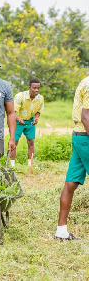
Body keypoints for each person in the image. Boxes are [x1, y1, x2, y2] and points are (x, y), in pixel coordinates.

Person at [55, 76, 89, 240]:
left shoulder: (85, 81)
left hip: (78, 137)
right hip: (86, 137)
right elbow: (86, 117)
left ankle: (61, 231)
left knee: (71, 183)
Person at [10, 79, 44, 167]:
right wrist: (18, 119)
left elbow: (39, 111)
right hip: (18, 121)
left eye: (38, 88)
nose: (36, 90)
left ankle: (30, 164)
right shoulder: (20, 96)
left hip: (30, 121)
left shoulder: (40, 98)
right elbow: (13, 111)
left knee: (31, 141)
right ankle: (12, 165)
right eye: (34, 88)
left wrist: (36, 118)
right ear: (29, 88)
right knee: (14, 142)